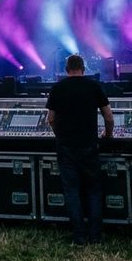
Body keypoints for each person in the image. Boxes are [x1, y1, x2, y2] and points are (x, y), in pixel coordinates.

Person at [46, 54, 113, 245]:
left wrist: (60, 135)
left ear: (67, 69)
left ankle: (79, 236)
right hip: (89, 145)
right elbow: (108, 117)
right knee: (93, 190)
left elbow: (50, 118)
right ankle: (96, 235)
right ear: (84, 69)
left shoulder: (58, 88)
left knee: (72, 191)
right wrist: (108, 135)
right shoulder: (94, 86)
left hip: (66, 147)